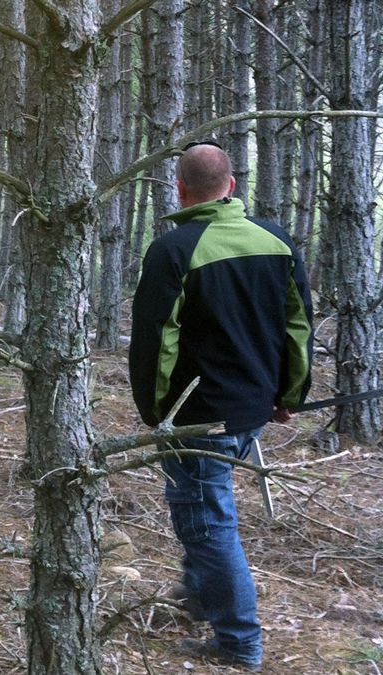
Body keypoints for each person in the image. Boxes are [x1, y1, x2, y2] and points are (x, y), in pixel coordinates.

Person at [128, 141, 314, 672]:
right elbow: (297, 329)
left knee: (207, 521)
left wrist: (155, 412)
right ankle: (197, 597)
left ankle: (239, 642)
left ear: (181, 191)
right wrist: (287, 396)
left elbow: (155, 342)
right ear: (231, 186)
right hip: (251, 407)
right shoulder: (276, 241)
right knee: (202, 510)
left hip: (197, 416)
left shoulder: (173, 250)